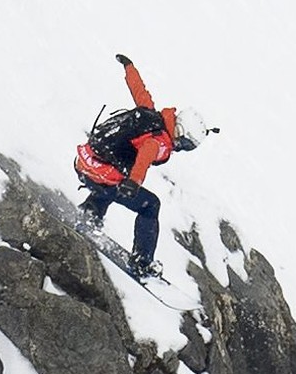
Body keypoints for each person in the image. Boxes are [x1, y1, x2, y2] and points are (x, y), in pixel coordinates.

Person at [74, 54, 212, 270]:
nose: (181, 148)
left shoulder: (149, 113)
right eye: (185, 144)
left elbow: (139, 90)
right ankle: (142, 261)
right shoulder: (161, 141)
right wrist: (135, 181)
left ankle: (91, 212)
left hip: (85, 162)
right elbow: (147, 154)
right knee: (150, 205)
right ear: (180, 132)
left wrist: (129, 67)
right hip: (101, 174)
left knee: (115, 178)